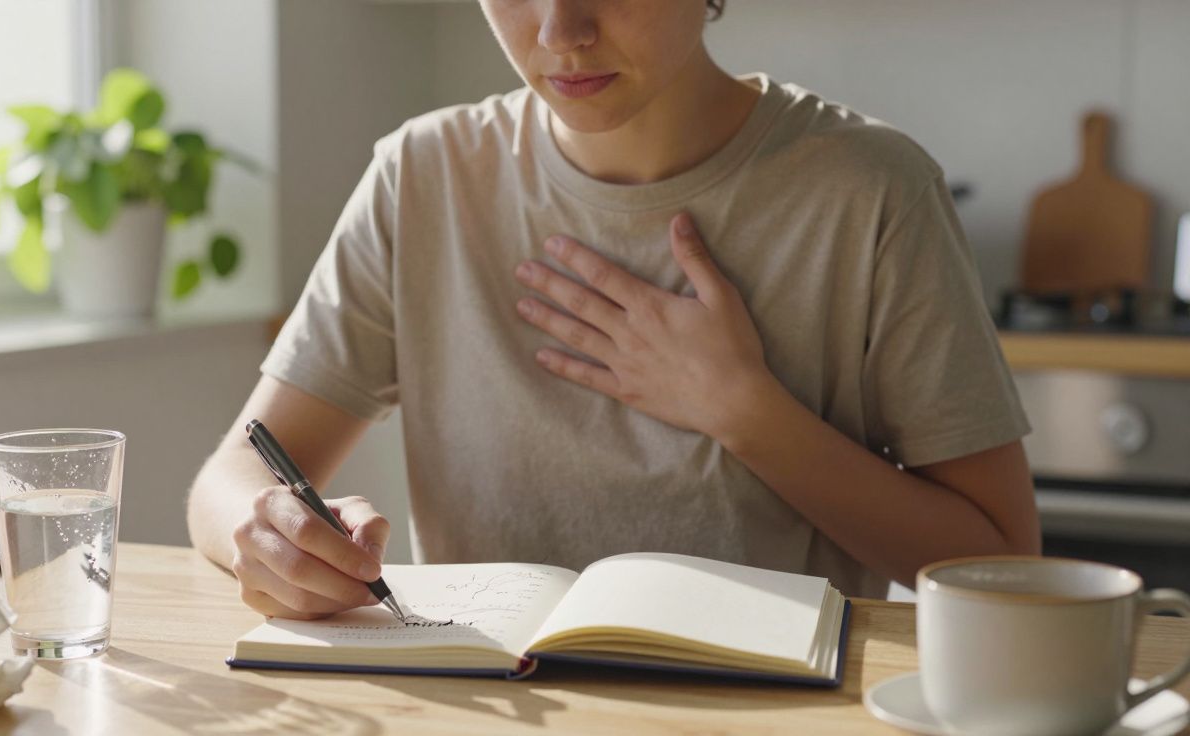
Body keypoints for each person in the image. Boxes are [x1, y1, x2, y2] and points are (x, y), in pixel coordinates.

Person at [187, 0, 1040, 619]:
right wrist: (265, 534)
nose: (560, 32)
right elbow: (229, 479)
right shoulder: (423, 175)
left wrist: (749, 415)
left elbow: (1003, 565)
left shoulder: (873, 190)